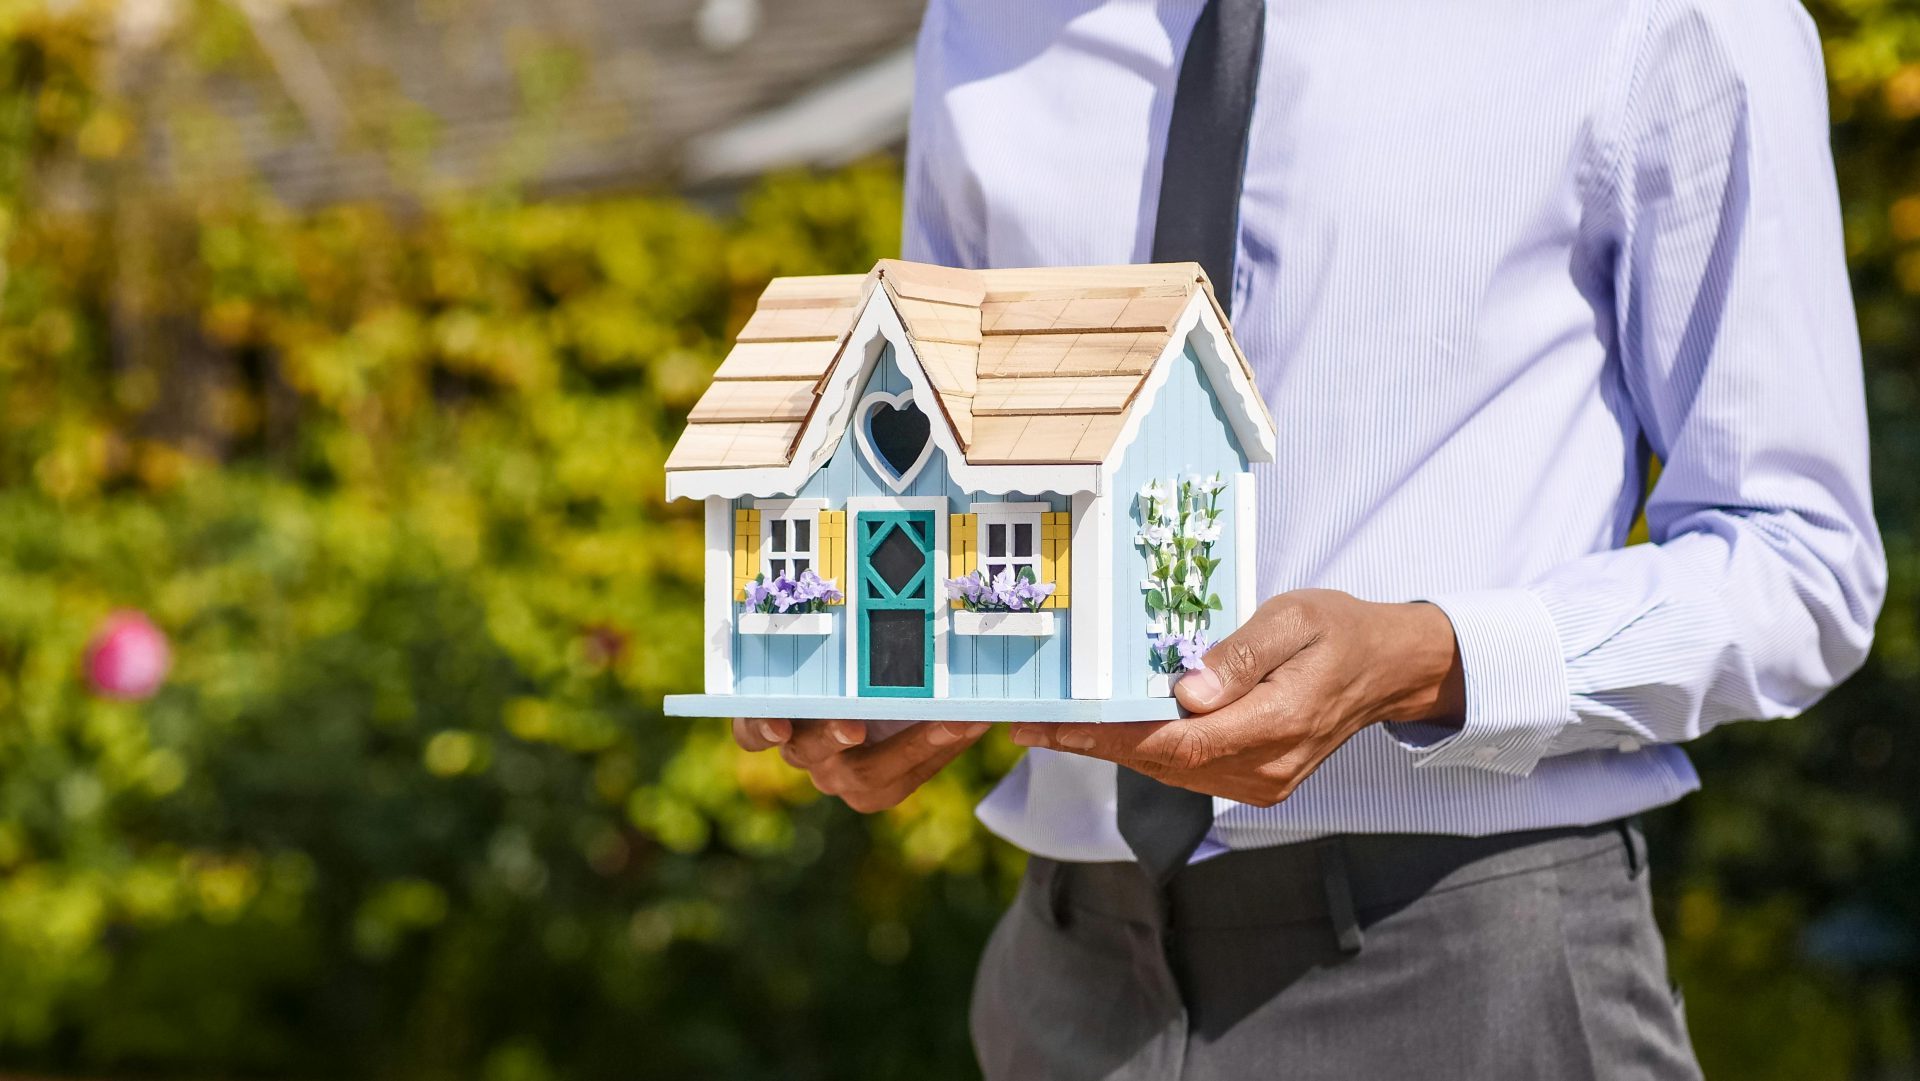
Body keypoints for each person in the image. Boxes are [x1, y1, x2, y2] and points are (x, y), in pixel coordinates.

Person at [731, 0, 1886, 1076]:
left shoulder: (1660, 17)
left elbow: (1802, 556)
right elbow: (950, 459)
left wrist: (1435, 660)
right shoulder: (988, 21)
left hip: (1472, 981)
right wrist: (883, 672)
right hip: (1068, 986)